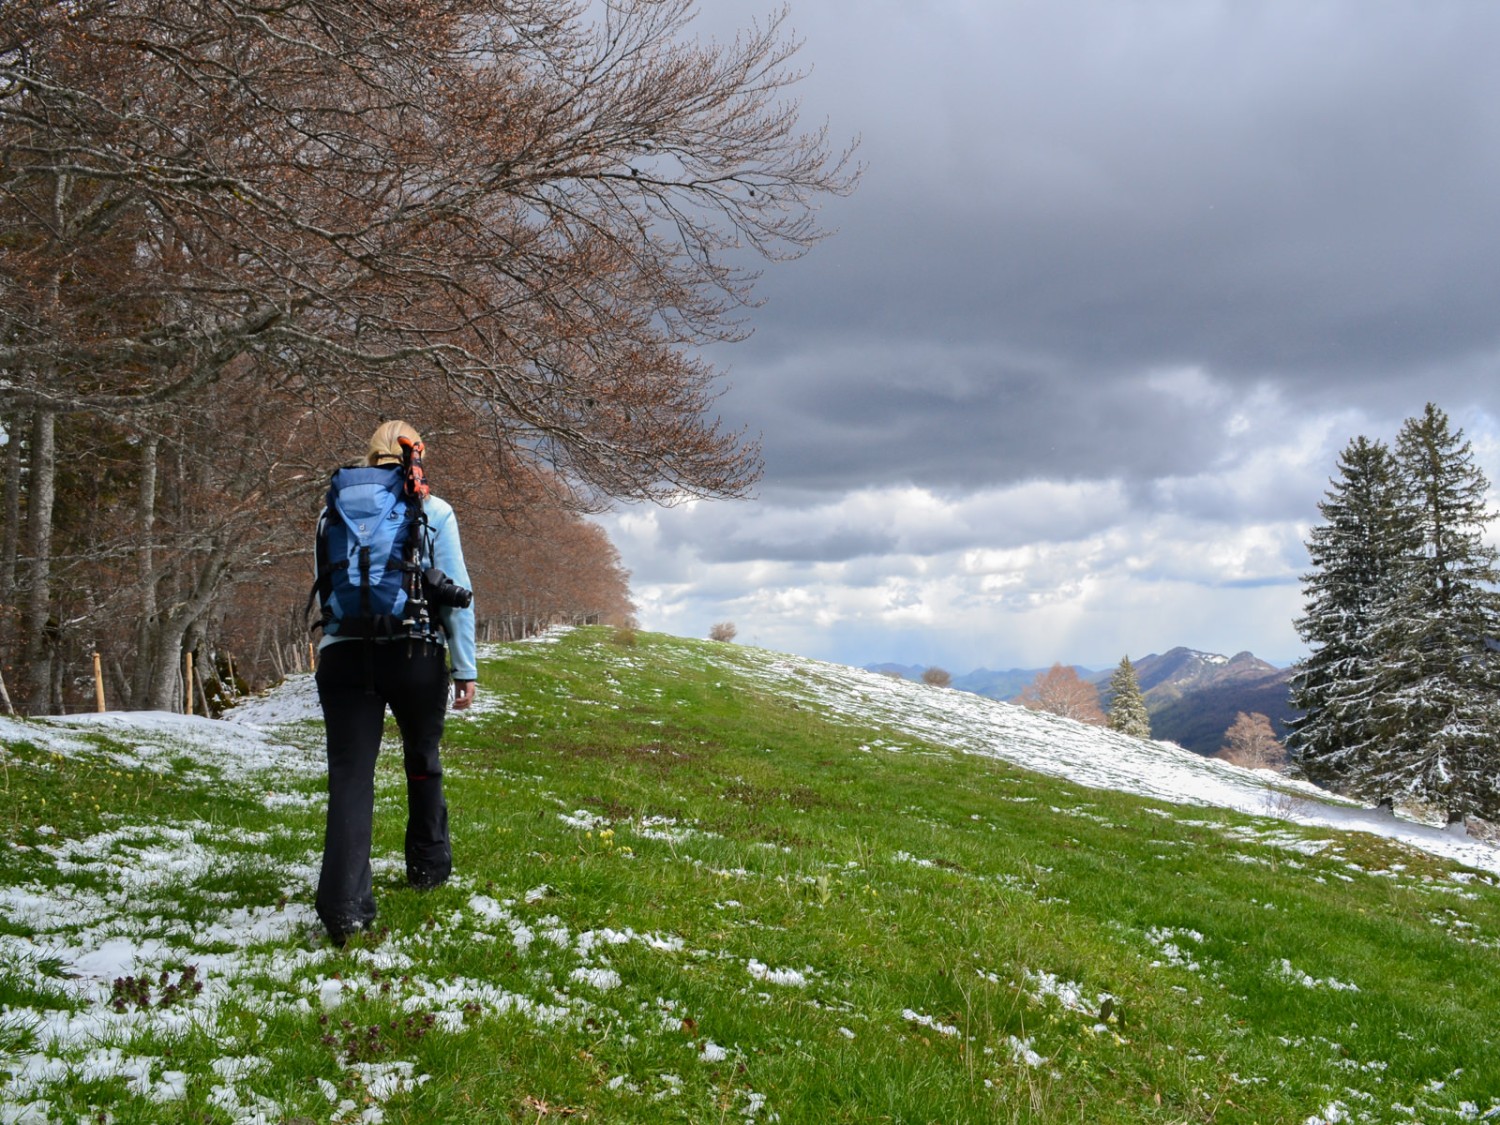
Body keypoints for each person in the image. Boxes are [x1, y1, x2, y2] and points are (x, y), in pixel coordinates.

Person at [312, 421, 477, 945]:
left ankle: (344, 907)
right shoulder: (433, 508)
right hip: (414, 652)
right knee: (422, 760)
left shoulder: (331, 510)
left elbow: (327, 587)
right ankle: (428, 868)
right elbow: (456, 593)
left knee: (351, 777)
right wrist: (464, 668)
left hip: (342, 654)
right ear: (416, 454)